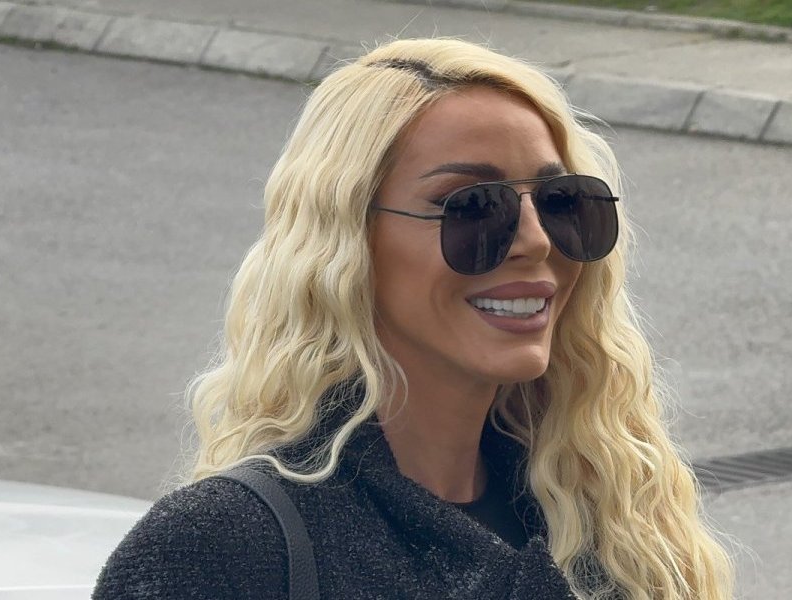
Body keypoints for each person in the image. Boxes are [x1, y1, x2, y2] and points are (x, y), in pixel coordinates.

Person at [93, 38, 734, 600]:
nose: (537, 240)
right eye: (471, 206)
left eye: (561, 201)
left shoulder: (615, 527)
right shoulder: (223, 549)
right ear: (348, 241)